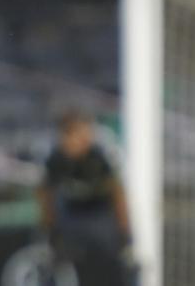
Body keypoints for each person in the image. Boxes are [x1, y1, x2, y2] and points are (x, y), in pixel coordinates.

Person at [37, 110, 133, 286]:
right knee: (59, 262)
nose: (86, 138)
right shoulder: (55, 160)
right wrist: (49, 229)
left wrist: (124, 231)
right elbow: (45, 196)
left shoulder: (100, 157)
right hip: (71, 215)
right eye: (80, 134)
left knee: (110, 263)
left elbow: (117, 193)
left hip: (100, 215)